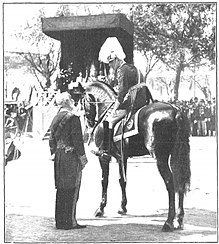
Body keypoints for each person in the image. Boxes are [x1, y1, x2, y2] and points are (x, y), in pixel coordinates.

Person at [96, 37, 153, 158]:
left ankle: (106, 150)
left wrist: (115, 108)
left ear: (116, 59)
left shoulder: (121, 70)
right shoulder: (134, 68)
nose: (111, 66)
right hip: (143, 99)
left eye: (111, 63)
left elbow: (122, 94)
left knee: (109, 121)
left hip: (132, 101)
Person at [49, 92, 88, 230]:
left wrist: (55, 152)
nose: (73, 101)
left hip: (59, 157)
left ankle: (60, 222)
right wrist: (83, 158)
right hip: (71, 157)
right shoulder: (73, 118)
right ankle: (70, 222)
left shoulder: (55, 118)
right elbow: (78, 141)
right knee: (72, 189)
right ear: (67, 102)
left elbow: (51, 140)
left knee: (61, 189)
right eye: (71, 99)